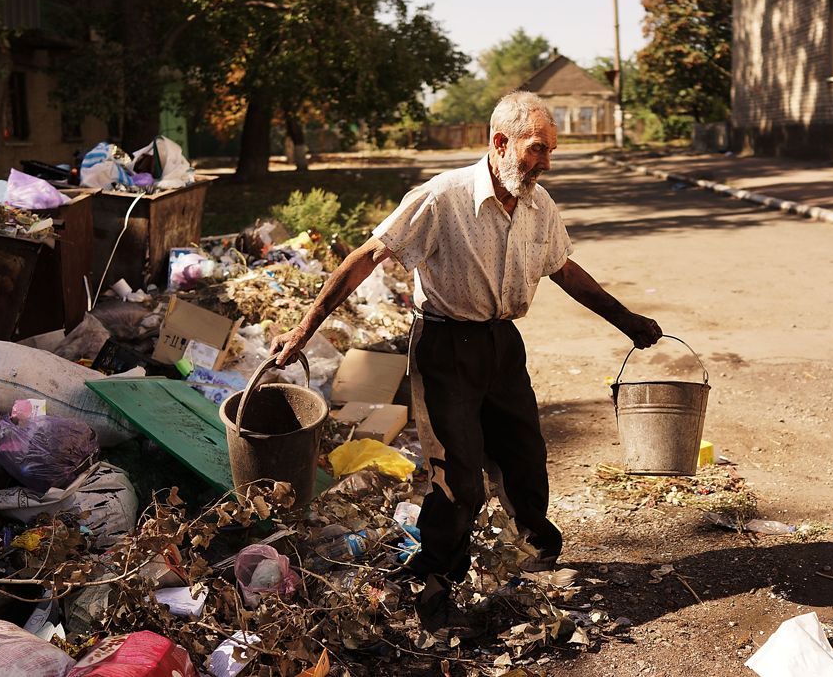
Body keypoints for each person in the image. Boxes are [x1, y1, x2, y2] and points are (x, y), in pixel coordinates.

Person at [270, 91, 661, 634]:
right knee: (460, 480)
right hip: (445, 350)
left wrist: (627, 320)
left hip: (503, 346)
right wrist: (303, 329)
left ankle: (535, 554)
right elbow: (365, 259)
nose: (546, 162)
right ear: (500, 143)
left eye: (550, 151)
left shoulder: (537, 205)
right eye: (537, 150)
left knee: (525, 457)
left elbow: (564, 270)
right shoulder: (442, 197)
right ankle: (434, 579)